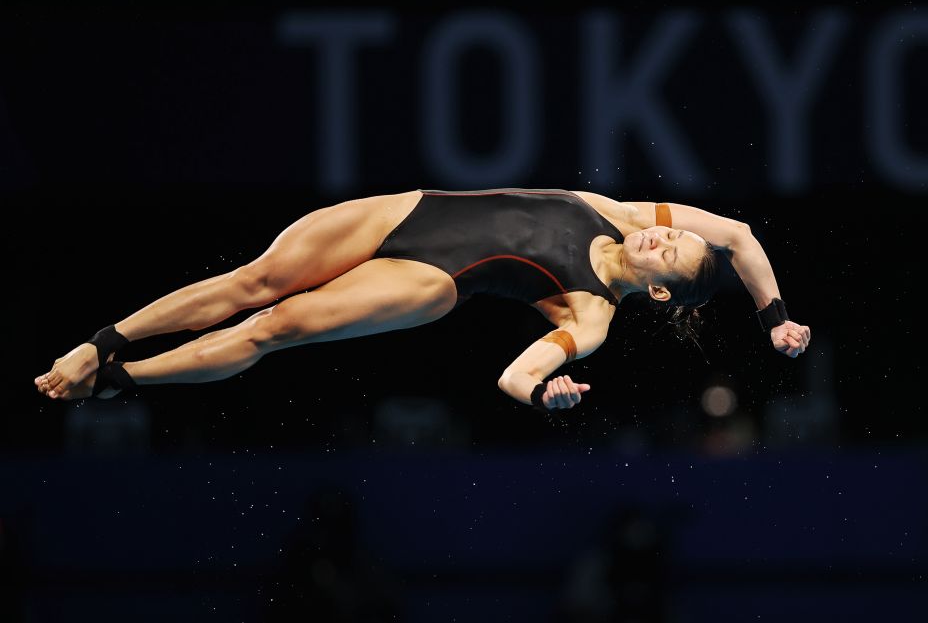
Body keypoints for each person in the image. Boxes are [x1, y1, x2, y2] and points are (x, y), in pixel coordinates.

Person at [34, 188, 810, 411]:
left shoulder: (593, 314)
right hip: (411, 209)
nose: (660, 236)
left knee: (274, 327)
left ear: (662, 286)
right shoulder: (625, 212)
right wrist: (774, 318)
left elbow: (511, 379)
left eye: (669, 252)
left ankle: (120, 381)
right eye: (670, 232)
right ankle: (105, 339)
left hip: (429, 282)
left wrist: (547, 395)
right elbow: (739, 233)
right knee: (254, 279)